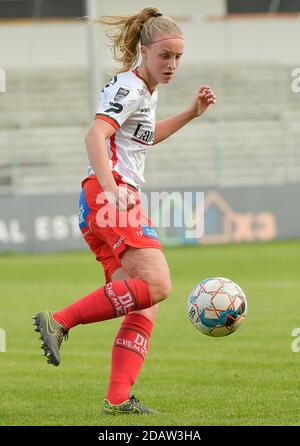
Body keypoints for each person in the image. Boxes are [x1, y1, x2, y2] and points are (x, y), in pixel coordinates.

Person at [33, 6, 216, 415]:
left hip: (100, 198)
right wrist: (114, 190)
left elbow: (143, 140)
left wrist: (189, 113)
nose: (172, 64)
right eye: (164, 55)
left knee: (143, 303)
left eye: (178, 57)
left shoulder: (145, 91)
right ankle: (58, 321)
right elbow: (96, 135)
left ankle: (117, 400)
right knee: (158, 285)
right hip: (109, 195)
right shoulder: (130, 87)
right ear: (144, 51)